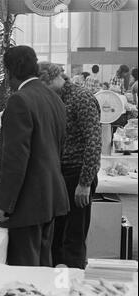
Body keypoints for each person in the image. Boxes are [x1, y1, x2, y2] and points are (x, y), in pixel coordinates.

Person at [0, 46, 69, 267]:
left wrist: (4, 203)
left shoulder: (20, 100)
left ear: (9, 72)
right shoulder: (53, 97)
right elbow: (57, 147)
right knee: (43, 265)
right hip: (50, 196)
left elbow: (15, 159)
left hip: (27, 202)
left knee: (25, 271)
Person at [39, 62, 102, 269]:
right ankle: (58, 285)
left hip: (77, 175)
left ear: (53, 79)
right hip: (60, 175)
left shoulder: (81, 98)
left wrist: (84, 183)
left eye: (43, 85)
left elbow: (93, 142)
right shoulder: (55, 98)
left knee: (73, 238)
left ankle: (73, 286)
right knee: (57, 237)